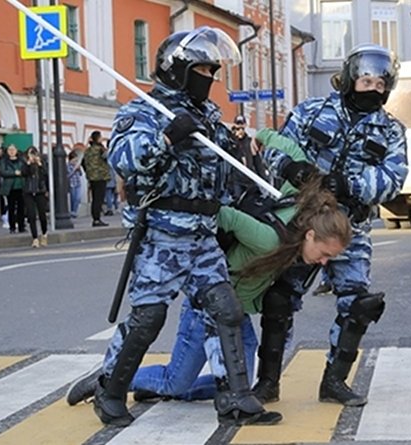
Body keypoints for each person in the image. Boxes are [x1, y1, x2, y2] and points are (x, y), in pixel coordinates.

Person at [93, 27, 280, 427]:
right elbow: (123, 160)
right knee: (147, 319)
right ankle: (109, 389)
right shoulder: (144, 110)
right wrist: (166, 137)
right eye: (202, 69)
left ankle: (234, 397)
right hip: (162, 233)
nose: (209, 78)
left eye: (214, 71)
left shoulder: (209, 116)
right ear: (177, 68)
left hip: (203, 233)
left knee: (224, 311)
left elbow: (226, 169)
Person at [66, 173, 351, 407]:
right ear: (311, 234)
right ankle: (110, 378)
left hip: (233, 315)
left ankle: (166, 390)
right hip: (205, 306)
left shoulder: (296, 242)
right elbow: (226, 215)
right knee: (175, 381)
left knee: (239, 384)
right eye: (325, 253)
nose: (324, 262)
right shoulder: (268, 240)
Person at [262, 43, 407, 406]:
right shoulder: (312, 111)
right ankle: (266, 382)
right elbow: (273, 147)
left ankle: (335, 381)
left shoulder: (390, 130)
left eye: (380, 83)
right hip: (303, 221)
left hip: (351, 227)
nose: (372, 88)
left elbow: (393, 178)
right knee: (279, 298)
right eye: (366, 80)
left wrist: (350, 185)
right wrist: (290, 167)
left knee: (357, 303)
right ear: (350, 78)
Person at [22, 147, 49, 248]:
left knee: (42, 215)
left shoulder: (42, 162)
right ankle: (35, 238)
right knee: (31, 215)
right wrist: (29, 163)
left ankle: (44, 234)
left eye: (34, 154)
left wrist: (39, 164)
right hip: (28, 192)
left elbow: (46, 175)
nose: (32, 156)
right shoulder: (25, 163)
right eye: (30, 154)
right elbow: (23, 173)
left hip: (40, 191)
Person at [84, 131, 111, 227]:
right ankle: (97, 219)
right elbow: (108, 157)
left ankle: (95, 218)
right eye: (101, 137)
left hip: (91, 177)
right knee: (99, 199)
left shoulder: (88, 150)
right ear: (98, 139)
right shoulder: (100, 149)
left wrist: (89, 172)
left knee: (94, 198)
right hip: (100, 176)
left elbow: (84, 163)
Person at [0, 144, 26, 234]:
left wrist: (21, 173)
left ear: (16, 151)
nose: (11, 151)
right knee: (11, 208)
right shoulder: (4, 161)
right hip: (10, 188)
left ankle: (21, 226)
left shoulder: (21, 160)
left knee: (21, 208)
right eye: (10, 150)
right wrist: (14, 173)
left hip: (21, 186)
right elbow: (2, 172)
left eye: (13, 149)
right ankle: (12, 227)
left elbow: (25, 170)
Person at [67, 150, 83, 217]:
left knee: (78, 198)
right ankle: (73, 212)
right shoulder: (68, 166)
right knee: (73, 199)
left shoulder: (76, 166)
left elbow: (80, 174)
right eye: (74, 160)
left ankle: (74, 211)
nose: (75, 161)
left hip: (78, 183)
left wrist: (79, 170)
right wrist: (74, 169)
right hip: (72, 184)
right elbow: (68, 175)